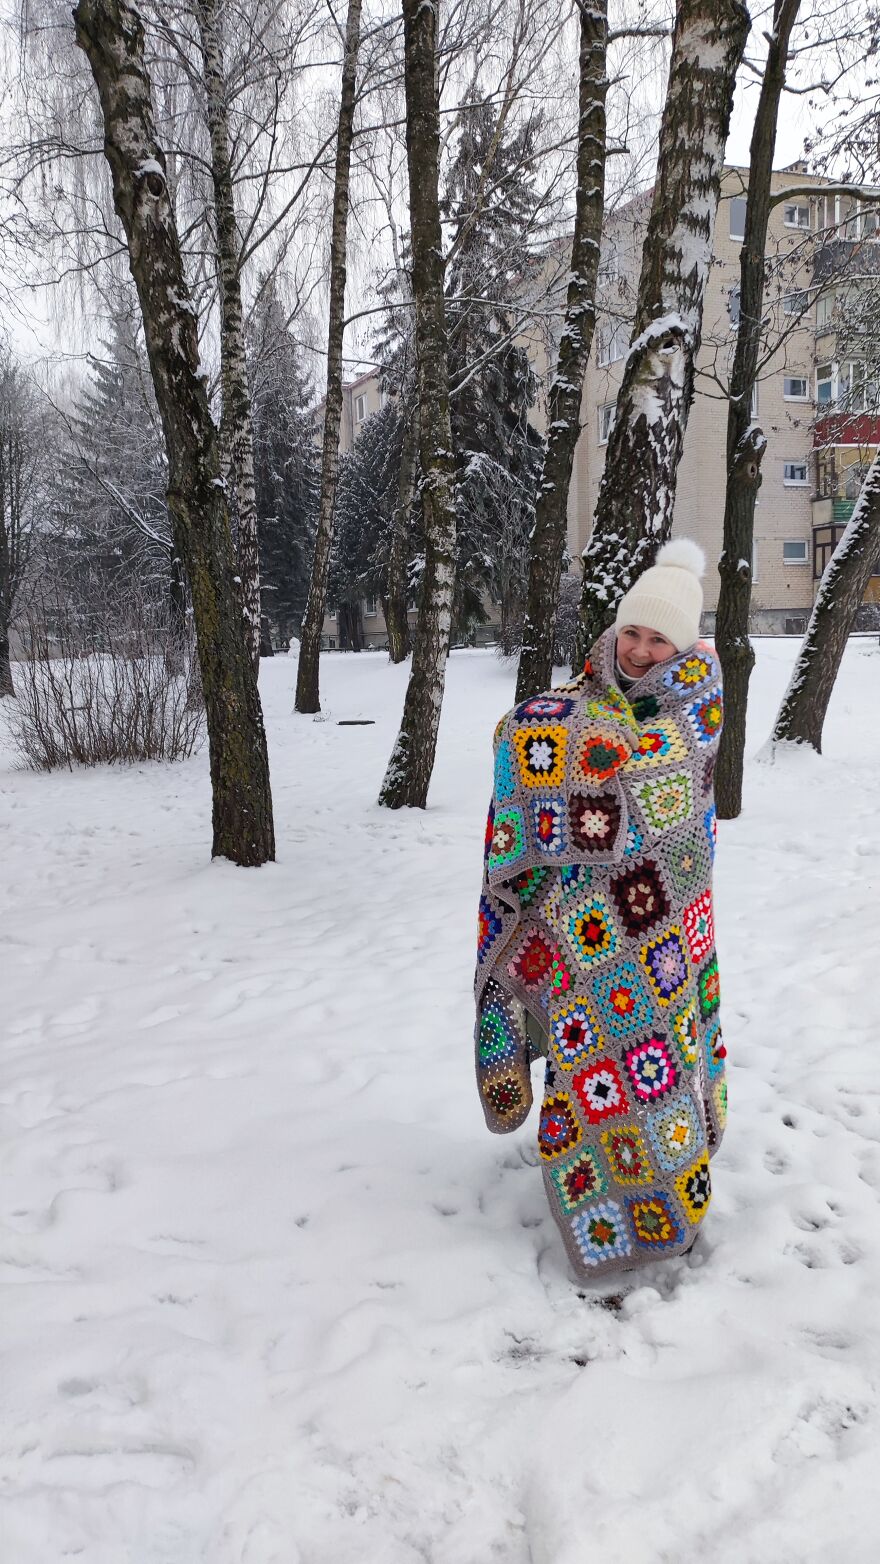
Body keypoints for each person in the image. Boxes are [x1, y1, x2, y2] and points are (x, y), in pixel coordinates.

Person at [474, 539, 726, 1281]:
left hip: (662, 928)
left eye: (659, 638)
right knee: (591, 1055)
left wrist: (582, 751)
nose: (642, 650)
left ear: (682, 645)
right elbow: (537, 746)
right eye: (633, 633)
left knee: (657, 1056)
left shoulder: (696, 706)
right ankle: (592, 1175)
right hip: (578, 927)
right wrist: (534, 738)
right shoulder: (579, 700)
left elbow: (648, 779)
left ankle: (664, 1195)